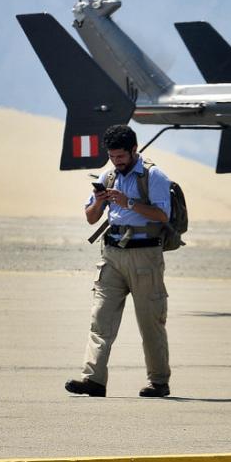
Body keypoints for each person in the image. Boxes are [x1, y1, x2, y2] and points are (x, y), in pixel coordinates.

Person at [65, 124, 173, 398]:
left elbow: (162, 216)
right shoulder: (108, 176)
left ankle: (159, 382)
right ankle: (93, 380)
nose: (117, 162)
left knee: (150, 322)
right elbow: (91, 217)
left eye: (121, 157)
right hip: (111, 255)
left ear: (134, 150)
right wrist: (100, 202)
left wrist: (128, 203)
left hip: (145, 256)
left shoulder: (154, 176)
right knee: (100, 320)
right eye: (112, 157)